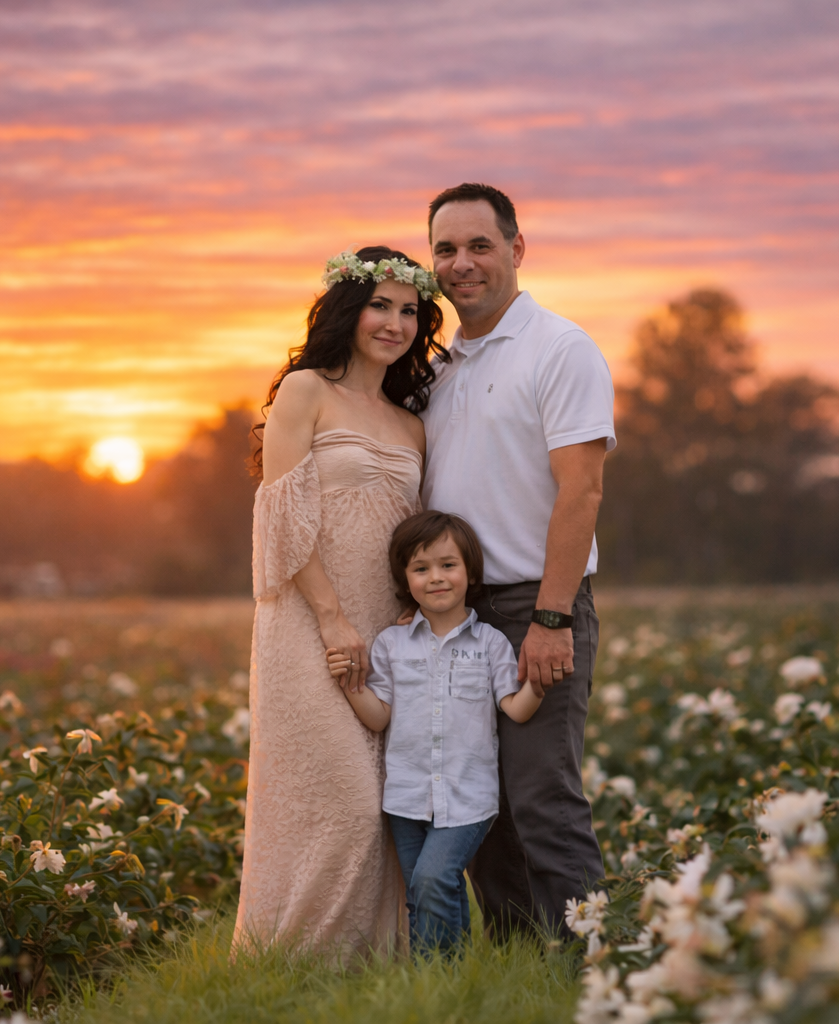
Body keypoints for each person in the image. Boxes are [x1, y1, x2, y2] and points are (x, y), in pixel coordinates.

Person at [235, 245, 448, 960]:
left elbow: (416, 536)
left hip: (385, 631)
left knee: (385, 805)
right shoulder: (306, 390)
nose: (394, 322)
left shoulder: (412, 423)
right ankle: (286, 963)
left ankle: (366, 974)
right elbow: (282, 514)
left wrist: (412, 616)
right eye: (379, 306)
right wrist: (330, 617)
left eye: (409, 311)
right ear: (349, 311)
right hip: (307, 620)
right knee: (342, 804)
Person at [422, 183, 615, 941]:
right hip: (455, 615)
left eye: (479, 246)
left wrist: (551, 617)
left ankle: (591, 969)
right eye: (445, 248)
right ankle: (518, 964)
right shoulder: (435, 369)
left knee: (541, 796)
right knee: (478, 804)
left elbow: (583, 491)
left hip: (536, 603)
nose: (462, 264)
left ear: (515, 249)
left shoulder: (560, 348)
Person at [329, 510, 541, 957]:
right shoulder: (391, 643)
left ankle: (432, 980)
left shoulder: (490, 643)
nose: (436, 578)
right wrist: (351, 683)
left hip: (469, 798)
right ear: (405, 580)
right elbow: (379, 716)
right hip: (406, 796)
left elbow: (515, 710)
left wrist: (537, 685)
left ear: (470, 572)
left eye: (448, 565)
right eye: (421, 569)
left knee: (434, 878)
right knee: (422, 893)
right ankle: (455, 978)